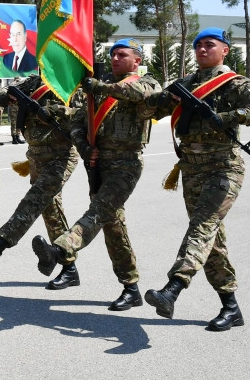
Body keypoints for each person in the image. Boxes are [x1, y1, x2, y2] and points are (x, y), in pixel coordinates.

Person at [142, 28, 250, 331]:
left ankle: (173, 289)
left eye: (210, 45)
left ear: (225, 50)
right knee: (211, 241)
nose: (203, 50)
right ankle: (231, 307)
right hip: (191, 171)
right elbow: (153, 106)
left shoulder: (235, 84)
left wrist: (231, 116)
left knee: (201, 228)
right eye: (198, 46)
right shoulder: (184, 85)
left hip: (223, 170)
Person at [32, 38, 161, 311]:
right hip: (98, 163)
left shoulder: (146, 82)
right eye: (113, 54)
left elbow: (140, 95)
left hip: (125, 165)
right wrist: (85, 146)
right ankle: (131, 286)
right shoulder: (97, 90)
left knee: (98, 212)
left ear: (136, 60)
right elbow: (78, 122)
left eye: (122, 55)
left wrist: (101, 86)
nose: (115, 58)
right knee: (113, 227)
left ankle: (60, 250)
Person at [0, 73, 82, 290]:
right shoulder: (33, 82)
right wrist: (11, 97)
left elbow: (82, 115)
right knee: (50, 208)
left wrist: (57, 111)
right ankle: (69, 268)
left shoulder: (69, 83)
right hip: (37, 155)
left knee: (36, 198)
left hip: (62, 155)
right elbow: (3, 93)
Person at [5, 77, 25, 144]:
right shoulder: (11, 88)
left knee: (19, 122)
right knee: (13, 123)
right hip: (13, 107)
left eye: (18, 81)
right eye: (17, 81)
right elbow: (8, 95)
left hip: (19, 107)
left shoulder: (20, 88)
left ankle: (18, 136)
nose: (17, 82)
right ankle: (14, 137)